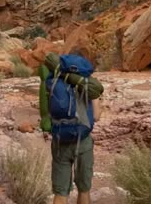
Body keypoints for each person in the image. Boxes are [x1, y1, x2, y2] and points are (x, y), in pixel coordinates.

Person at [39, 52, 104, 204]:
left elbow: (45, 112)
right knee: (84, 189)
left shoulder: (52, 81)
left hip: (60, 140)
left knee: (61, 192)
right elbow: (95, 116)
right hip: (83, 141)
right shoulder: (88, 84)